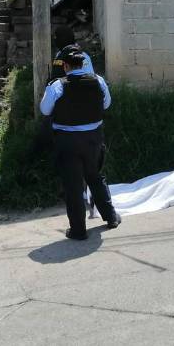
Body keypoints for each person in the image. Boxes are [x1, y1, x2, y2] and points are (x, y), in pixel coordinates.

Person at [40, 47, 121, 240]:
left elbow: (45, 110)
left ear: (66, 66)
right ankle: (111, 217)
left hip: (68, 142)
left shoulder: (57, 86)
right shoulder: (98, 81)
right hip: (93, 139)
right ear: (83, 65)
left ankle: (79, 230)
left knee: (73, 185)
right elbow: (106, 104)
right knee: (95, 176)